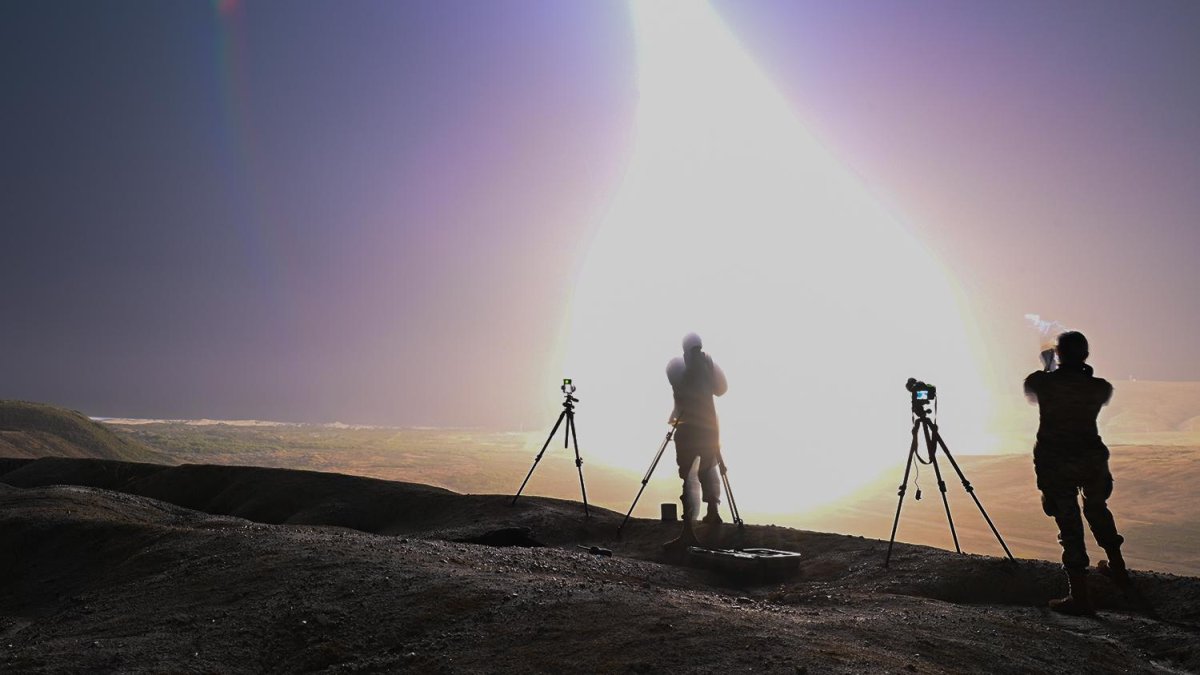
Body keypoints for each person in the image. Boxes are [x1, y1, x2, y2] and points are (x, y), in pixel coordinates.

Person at [1024, 331, 1131, 615]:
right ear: (1085, 355)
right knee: (1098, 510)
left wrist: (1049, 366)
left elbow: (1032, 388)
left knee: (1069, 526)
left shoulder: (1043, 383)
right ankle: (1119, 572)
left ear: (1059, 355)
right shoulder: (1099, 387)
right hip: (1091, 460)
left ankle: (1080, 598)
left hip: (1057, 464)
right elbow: (1092, 387)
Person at [664, 332, 727, 548]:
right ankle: (713, 512)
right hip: (709, 428)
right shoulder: (708, 365)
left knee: (689, 475)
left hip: (688, 430)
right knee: (709, 469)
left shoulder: (676, 367)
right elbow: (722, 389)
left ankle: (689, 529)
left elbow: (680, 388)